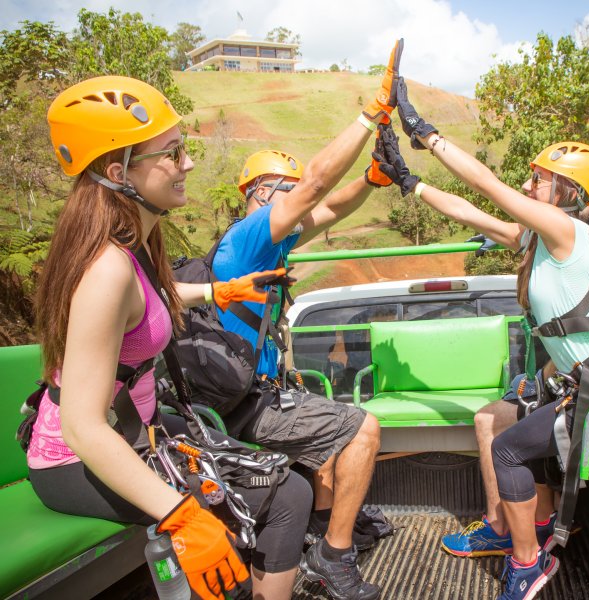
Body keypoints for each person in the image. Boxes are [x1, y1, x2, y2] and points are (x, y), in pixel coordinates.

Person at [27, 75, 314, 600]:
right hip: (78, 457)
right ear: (119, 173)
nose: (187, 164)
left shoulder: (133, 241)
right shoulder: (104, 270)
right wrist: (180, 516)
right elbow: (84, 429)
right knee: (282, 499)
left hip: (141, 430)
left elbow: (150, 300)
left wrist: (219, 290)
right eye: (172, 153)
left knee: (288, 489)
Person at [373, 80, 589, 599]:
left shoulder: (571, 234)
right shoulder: (543, 237)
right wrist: (410, 182)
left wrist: (423, 131)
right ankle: (524, 535)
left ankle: (528, 564)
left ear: (571, 194)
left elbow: (487, 185)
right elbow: (469, 210)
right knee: (503, 430)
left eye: (538, 180)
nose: (527, 187)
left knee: (506, 451)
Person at [210, 40, 405, 600]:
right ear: (261, 195)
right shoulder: (249, 237)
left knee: (331, 425)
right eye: (287, 193)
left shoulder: (270, 245)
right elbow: (318, 185)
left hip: (261, 390)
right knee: (363, 428)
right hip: (246, 405)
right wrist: (372, 113)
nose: (297, 202)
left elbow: (330, 205)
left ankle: (324, 530)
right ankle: (333, 555)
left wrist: (372, 180)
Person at [439, 153, 589, 560]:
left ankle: (508, 529)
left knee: (497, 423)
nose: (529, 187)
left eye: (541, 180)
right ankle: (533, 521)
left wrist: (547, 378)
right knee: (517, 409)